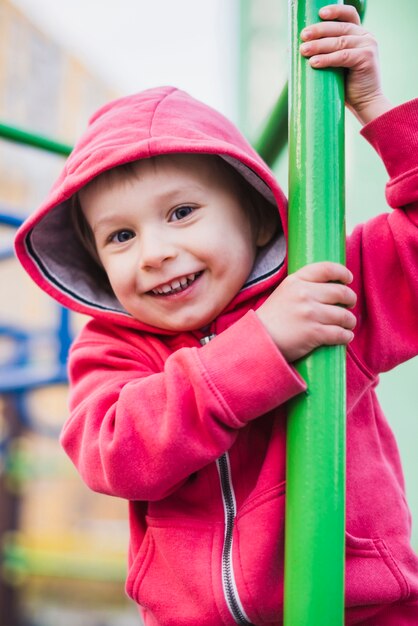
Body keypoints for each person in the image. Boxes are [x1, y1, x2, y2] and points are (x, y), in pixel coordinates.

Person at [14, 4, 418, 625]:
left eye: (181, 213)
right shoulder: (115, 347)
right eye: (120, 236)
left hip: (361, 611)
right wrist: (260, 347)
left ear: (257, 216)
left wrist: (379, 110)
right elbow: (115, 453)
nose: (155, 253)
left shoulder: (324, 284)